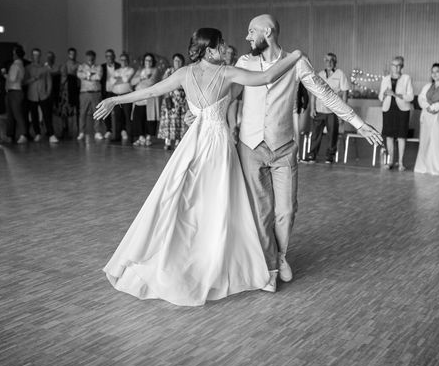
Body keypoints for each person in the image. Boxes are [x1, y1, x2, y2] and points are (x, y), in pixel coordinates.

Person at [93, 28, 302, 306]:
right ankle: (211, 258)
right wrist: (297, 56)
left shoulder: (184, 74)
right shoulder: (226, 73)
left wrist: (115, 99)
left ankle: (190, 253)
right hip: (216, 145)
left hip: (193, 143)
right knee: (217, 203)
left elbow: (152, 91)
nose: (226, 48)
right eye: (221, 45)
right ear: (209, 50)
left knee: (185, 200)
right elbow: (266, 77)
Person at [231, 14, 383, 292]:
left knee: (287, 210)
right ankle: (271, 268)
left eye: (252, 31)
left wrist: (358, 123)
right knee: (261, 211)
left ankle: (280, 254)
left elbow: (326, 94)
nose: (247, 37)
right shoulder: (244, 62)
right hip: (250, 147)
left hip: (283, 146)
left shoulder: (297, 63)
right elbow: (227, 95)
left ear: (268, 31)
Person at [303, 53, 350, 164]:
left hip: (333, 111)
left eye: (331, 60)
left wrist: (342, 111)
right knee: (315, 134)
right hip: (319, 109)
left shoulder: (340, 74)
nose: (329, 63)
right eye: (327, 60)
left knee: (332, 134)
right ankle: (312, 155)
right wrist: (312, 108)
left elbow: (345, 93)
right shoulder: (319, 74)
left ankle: (329, 156)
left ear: (335, 62)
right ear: (324, 61)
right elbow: (313, 92)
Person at [414, 63, 439, 175]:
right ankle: (423, 167)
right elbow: (421, 98)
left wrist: (434, 108)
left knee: (438, 142)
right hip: (427, 116)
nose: (434, 74)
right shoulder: (427, 86)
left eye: (437, 71)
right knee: (425, 142)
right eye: (433, 72)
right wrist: (427, 107)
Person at [378, 56, 414, 171]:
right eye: (394, 65)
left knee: (401, 136)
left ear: (402, 66)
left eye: (398, 65)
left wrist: (395, 95)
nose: (396, 67)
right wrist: (384, 94)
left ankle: (401, 162)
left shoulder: (406, 78)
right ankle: (390, 162)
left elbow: (410, 96)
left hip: (402, 110)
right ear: (391, 66)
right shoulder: (385, 79)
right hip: (388, 109)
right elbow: (380, 97)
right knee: (389, 136)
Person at [25, 48, 57, 143]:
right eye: (34, 55)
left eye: (38, 55)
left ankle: (51, 134)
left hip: (43, 95)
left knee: (47, 116)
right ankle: (37, 133)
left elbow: (49, 82)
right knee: (34, 116)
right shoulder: (28, 68)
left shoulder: (44, 68)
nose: (36, 57)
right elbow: (24, 82)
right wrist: (33, 79)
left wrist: (47, 93)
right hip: (32, 95)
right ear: (32, 56)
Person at [157, 53, 188, 150]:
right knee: (169, 121)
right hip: (170, 99)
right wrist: (166, 98)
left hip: (181, 100)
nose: (177, 62)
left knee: (179, 121)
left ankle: (178, 142)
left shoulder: (185, 71)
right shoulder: (169, 71)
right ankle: (168, 141)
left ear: (182, 62)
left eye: (179, 60)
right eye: (175, 60)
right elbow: (163, 84)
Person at [130, 53, 160, 147]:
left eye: (150, 60)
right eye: (146, 60)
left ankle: (148, 138)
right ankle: (141, 137)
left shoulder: (155, 70)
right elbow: (132, 82)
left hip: (149, 99)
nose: (148, 62)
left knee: (149, 119)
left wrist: (139, 84)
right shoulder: (140, 70)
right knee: (138, 118)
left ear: (153, 62)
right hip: (139, 99)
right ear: (144, 61)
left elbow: (151, 82)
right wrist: (141, 78)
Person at [2, 45, 28, 144]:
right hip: (16, 91)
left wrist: (5, 74)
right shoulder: (21, 65)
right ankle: (12, 135)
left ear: (16, 54)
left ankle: (23, 134)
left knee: (16, 114)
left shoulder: (15, 65)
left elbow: (12, 79)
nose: (12, 55)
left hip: (14, 91)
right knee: (14, 115)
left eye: (13, 53)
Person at [76, 50, 103, 141]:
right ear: (86, 57)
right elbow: (79, 75)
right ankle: (81, 132)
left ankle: (97, 132)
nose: (90, 58)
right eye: (89, 56)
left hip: (95, 92)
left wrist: (87, 76)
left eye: (92, 56)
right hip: (85, 93)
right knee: (82, 113)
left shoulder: (98, 67)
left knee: (97, 113)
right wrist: (91, 75)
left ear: (94, 57)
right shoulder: (81, 66)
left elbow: (98, 77)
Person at [109, 52, 136, 142]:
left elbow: (126, 80)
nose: (123, 61)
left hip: (127, 95)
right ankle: (116, 136)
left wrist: (118, 79)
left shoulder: (131, 70)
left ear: (127, 60)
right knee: (117, 116)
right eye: (121, 59)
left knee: (128, 117)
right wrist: (121, 79)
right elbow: (111, 82)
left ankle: (130, 137)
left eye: (125, 59)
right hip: (116, 96)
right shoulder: (116, 71)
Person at [56, 47, 80, 139]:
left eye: (74, 54)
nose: (72, 55)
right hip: (64, 94)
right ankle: (64, 128)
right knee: (63, 113)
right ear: (68, 54)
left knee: (73, 112)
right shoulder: (64, 64)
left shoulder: (79, 65)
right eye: (70, 54)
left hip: (75, 90)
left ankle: (75, 129)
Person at [100, 49, 121, 140]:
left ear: (114, 56)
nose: (109, 58)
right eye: (107, 56)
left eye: (111, 56)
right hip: (106, 91)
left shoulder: (119, 66)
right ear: (106, 57)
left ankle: (120, 130)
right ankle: (108, 130)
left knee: (118, 111)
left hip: (116, 91)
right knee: (105, 110)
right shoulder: (102, 67)